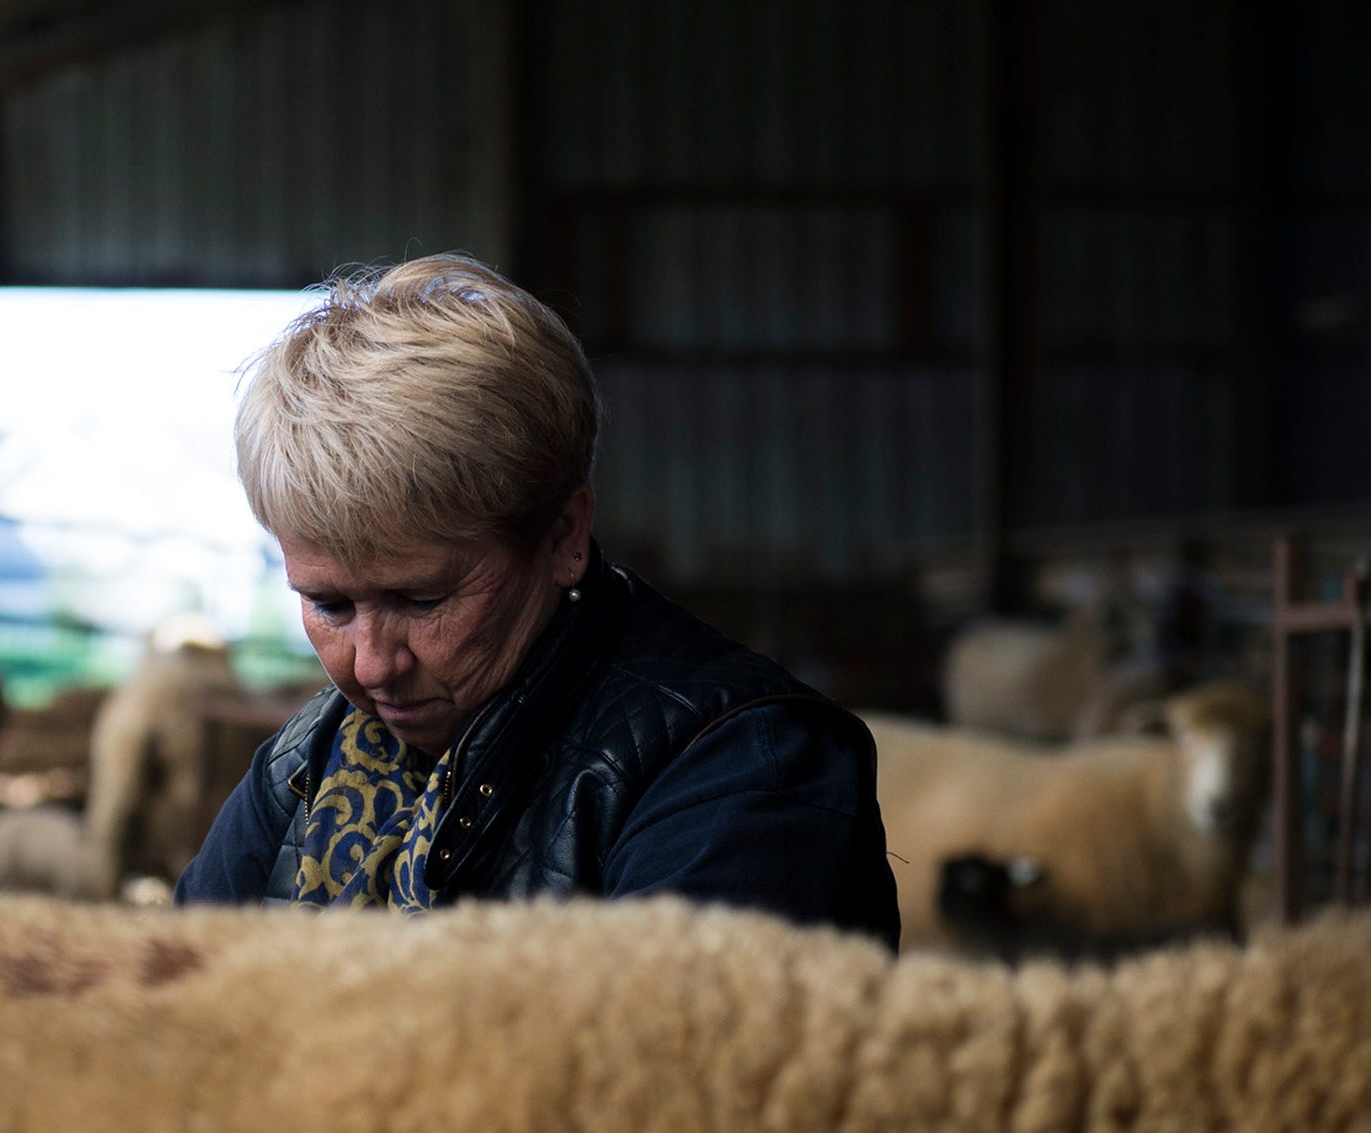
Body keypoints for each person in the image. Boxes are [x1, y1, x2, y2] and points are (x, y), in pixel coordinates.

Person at [174, 254, 898, 946]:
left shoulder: (741, 776)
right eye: (329, 605)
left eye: (421, 599)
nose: (370, 667)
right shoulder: (305, 763)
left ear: (562, 536)